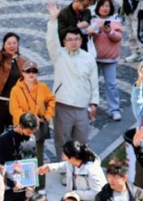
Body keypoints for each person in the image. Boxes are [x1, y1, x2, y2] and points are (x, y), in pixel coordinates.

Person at [45, 8, 99, 155]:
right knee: (62, 140)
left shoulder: (88, 58)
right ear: (64, 41)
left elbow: (94, 83)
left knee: (81, 141)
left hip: (82, 107)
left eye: (76, 39)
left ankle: (79, 169)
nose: (73, 42)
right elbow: (51, 41)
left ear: (81, 41)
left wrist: (94, 103)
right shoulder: (59, 55)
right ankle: (64, 171)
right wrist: (53, 20)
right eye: (70, 39)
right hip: (63, 105)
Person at [0, 17, 30, 144]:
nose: (12, 46)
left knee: (15, 135)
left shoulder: (24, 61)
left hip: (16, 105)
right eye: (9, 43)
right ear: (4, 45)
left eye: (14, 43)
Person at [89, 0, 123, 121]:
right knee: (93, 84)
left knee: (111, 84)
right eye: (102, 6)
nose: (105, 8)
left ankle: (114, 109)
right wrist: (96, 31)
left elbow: (118, 37)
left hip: (110, 58)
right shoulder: (92, 20)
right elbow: (90, 38)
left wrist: (110, 32)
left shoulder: (115, 20)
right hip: (95, 57)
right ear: (98, 7)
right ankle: (90, 107)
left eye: (107, 6)